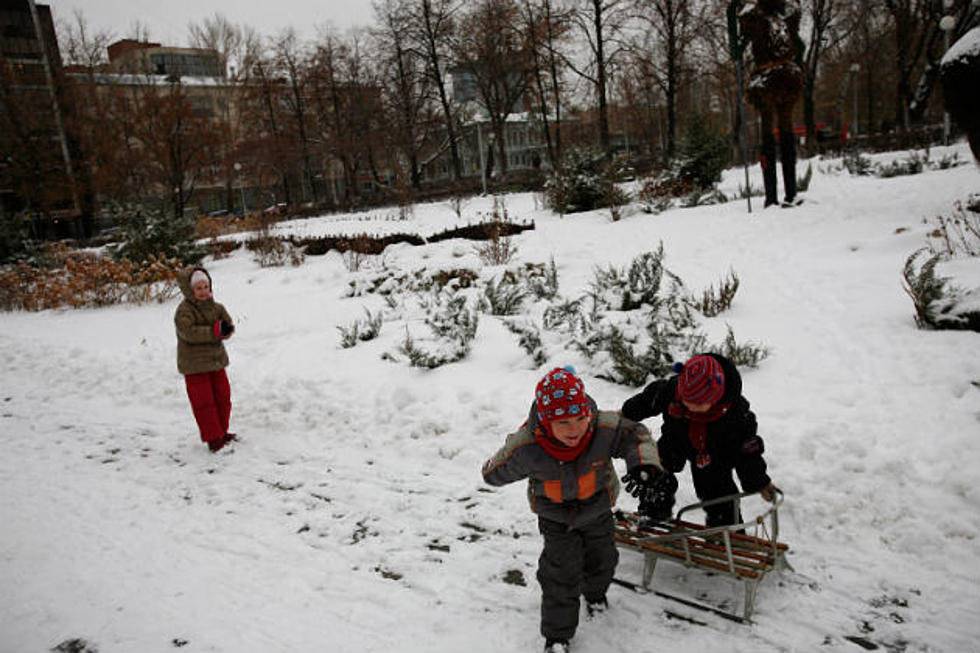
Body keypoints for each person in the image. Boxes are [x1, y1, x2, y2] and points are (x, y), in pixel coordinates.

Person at [482, 366, 670, 653]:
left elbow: (636, 436)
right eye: (563, 422)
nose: (575, 428)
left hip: (598, 509)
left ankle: (595, 594)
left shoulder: (602, 429)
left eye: (580, 417)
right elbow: (495, 470)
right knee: (560, 574)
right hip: (556, 519)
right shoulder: (529, 447)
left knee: (603, 559)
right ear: (545, 422)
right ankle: (557, 637)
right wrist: (494, 470)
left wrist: (643, 464)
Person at [621, 354, 777, 528]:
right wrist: (625, 414)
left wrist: (760, 482)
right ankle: (655, 512)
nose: (689, 406)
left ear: (715, 397)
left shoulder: (737, 416)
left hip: (714, 455)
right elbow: (648, 401)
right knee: (653, 472)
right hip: (675, 441)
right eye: (686, 400)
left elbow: (748, 454)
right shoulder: (674, 390)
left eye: (697, 403)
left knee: (717, 495)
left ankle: (724, 532)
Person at [175, 266, 236, 453]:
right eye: (198, 288)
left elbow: (227, 324)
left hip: (216, 361)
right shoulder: (184, 311)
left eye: (206, 287)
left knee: (222, 398)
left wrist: (227, 329)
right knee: (204, 403)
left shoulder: (217, 308)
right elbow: (189, 333)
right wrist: (214, 331)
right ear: (190, 290)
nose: (203, 291)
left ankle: (222, 431)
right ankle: (213, 437)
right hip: (195, 366)